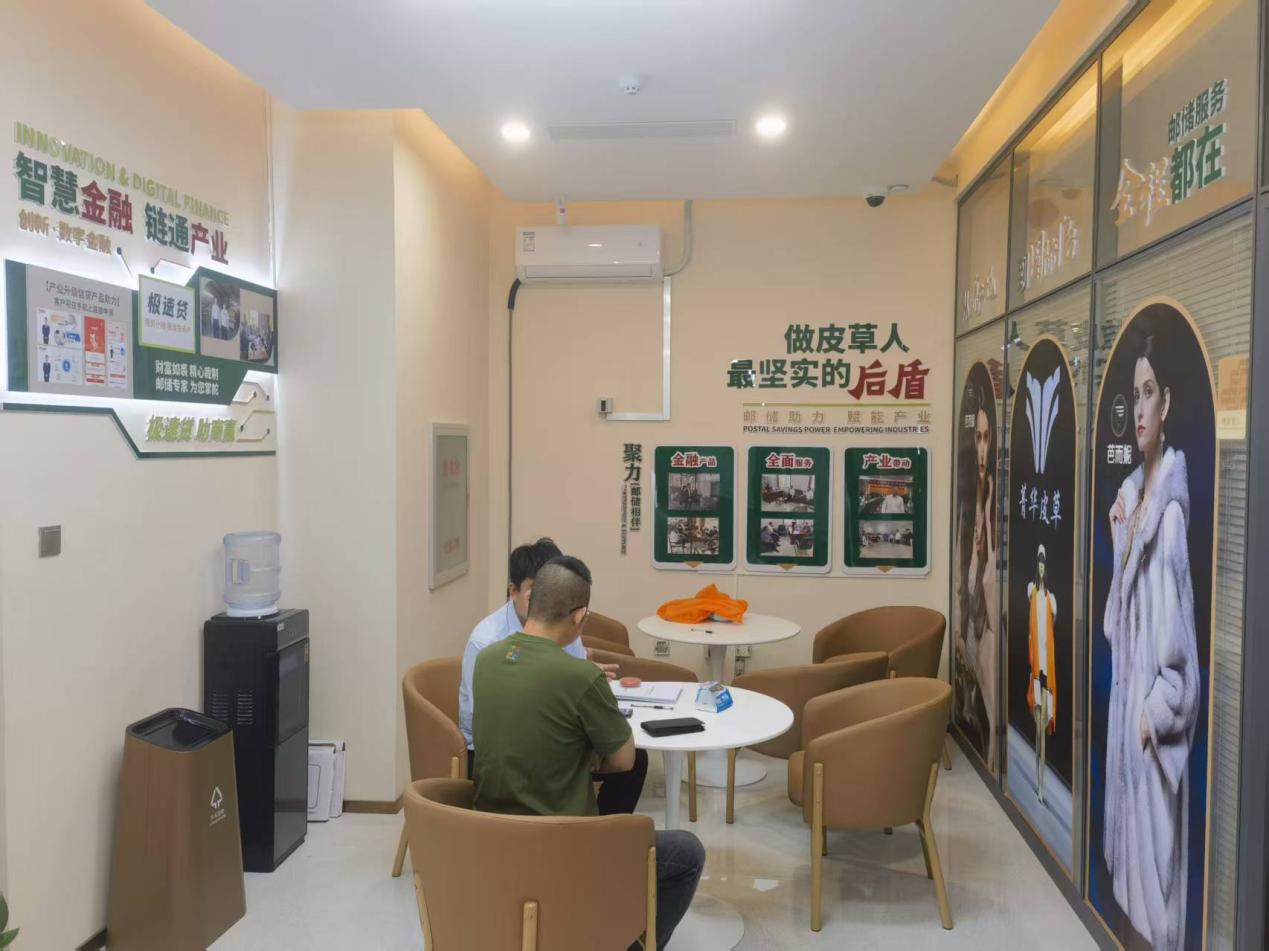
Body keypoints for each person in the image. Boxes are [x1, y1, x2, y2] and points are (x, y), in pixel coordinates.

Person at [472, 556, 704, 951]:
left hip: (493, 835)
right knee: (687, 853)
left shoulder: (487, 659)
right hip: (563, 844)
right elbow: (624, 760)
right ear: (579, 616)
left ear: (531, 600)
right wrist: (590, 756)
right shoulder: (581, 676)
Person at [1102, 331, 1200, 951]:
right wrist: (1119, 541)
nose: (1138, 409)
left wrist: (1148, 720)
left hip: (1146, 756)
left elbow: (1181, 677)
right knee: (1127, 913)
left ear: (1166, 404)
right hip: (1126, 749)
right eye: (1134, 394)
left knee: (1150, 921)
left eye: (1148, 393)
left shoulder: (1167, 520)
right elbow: (1116, 628)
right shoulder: (1134, 503)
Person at [459, 537, 648, 815]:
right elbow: (622, 760)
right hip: (506, 758)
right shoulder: (485, 642)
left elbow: (564, 682)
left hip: (498, 807)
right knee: (683, 841)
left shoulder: (489, 657)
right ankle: (603, 836)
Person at [1027, 545, 1056, 805]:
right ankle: (1037, 777)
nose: (1041, 566)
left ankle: (1041, 786)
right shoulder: (1032, 592)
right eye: (1039, 563)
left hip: (1048, 672)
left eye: (1044, 563)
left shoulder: (1051, 600)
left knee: (1044, 726)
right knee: (1037, 729)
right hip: (1036, 670)